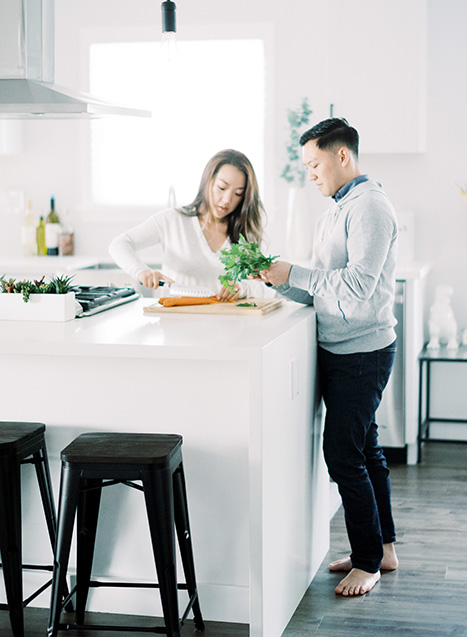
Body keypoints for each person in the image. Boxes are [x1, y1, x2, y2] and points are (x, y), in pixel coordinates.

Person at [252, 118, 399, 596]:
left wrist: (295, 271)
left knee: (342, 455)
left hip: (362, 352)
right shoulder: (336, 209)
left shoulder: (370, 207)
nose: (310, 174)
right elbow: (324, 288)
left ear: (342, 156)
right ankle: (384, 547)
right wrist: (280, 284)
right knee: (366, 449)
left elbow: (357, 288)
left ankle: (368, 562)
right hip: (343, 349)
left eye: (315, 164)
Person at [109, 149, 267, 300]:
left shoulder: (247, 233)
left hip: (227, 322)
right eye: (222, 188)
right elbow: (119, 244)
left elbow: (265, 287)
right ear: (208, 181)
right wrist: (141, 271)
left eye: (238, 193)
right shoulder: (172, 220)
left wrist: (244, 289)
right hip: (175, 322)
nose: (226, 199)